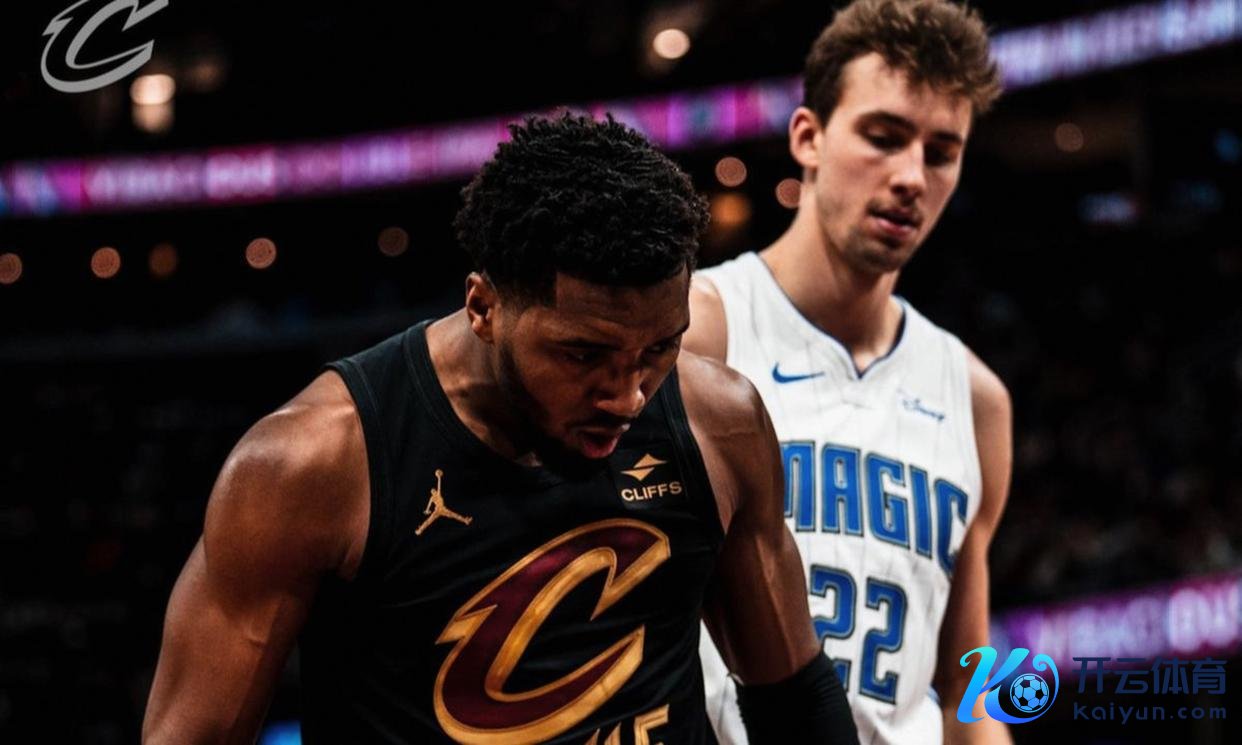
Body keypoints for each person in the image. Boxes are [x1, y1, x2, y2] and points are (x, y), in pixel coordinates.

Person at [143, 114, 858, 744]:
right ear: (484, 306)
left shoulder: (719, 423)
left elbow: (794, 701)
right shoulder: (312, 463)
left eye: (658, 349)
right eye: (585, 355)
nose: (628, 396)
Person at [690, 1, 1011, 743]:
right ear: (808, 137)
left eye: (941, 152)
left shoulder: (977, 397)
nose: (911, 176)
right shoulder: (702, 331)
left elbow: (969, 682)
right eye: (884, 137)